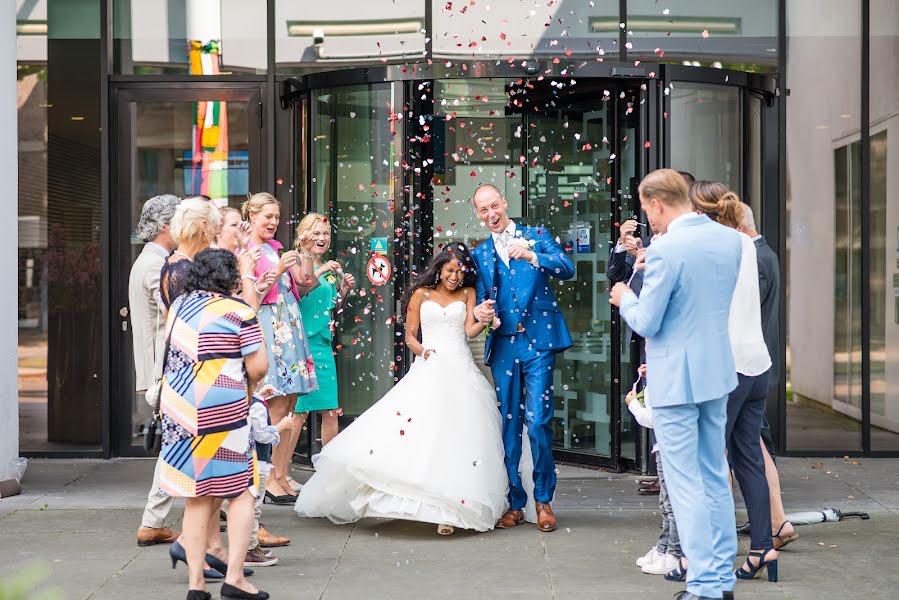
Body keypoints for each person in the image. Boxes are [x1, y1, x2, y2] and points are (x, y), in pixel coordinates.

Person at [294, 243, 508, 535]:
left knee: (458, 436)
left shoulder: (468, 293)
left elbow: (468, 330)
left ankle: (451, 508)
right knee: (421, 431)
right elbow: (409, 336)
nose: (454, 277)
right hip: (430, 365)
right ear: (439, 268)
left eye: (459, 271)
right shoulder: (421, 294)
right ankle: (421, 499)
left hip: (460, 367)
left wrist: (484, 322)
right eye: (449, 270)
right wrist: (423, 352)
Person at [610, 168, 742, 600]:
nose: (650, 221)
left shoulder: (667, 249)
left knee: (685, 485)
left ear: (657, 203)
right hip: (717, 372)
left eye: (648, 211)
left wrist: (624, 298)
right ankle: (721, 578)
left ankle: (703, 586)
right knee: (714, 477)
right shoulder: (729, 239)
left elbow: (648, 319)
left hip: (675, 378)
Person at [159, 248, 269, 600]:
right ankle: (234, 578)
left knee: (197, 497)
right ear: (230, 278)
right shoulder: (239, 311)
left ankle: (195, 585)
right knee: (240, 492)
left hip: (179, 413)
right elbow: (258, 368)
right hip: (222, 413)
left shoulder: (179, 308)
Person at [470, 183, 576, 533]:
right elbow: (486, 296)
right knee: (509, 425)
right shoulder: (481, 254)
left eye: (494, 206)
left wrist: (533, 256)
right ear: (478, 214)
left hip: (538, 342)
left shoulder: (536, 234)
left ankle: (543, 500)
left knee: (539, 419)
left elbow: (567, 267)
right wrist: (485, 313)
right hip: (504, 345)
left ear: (504, 202)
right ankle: (515, 503)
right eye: (483, 210)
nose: (491, 215)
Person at [691, 183, 779, 584]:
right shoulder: (746, 244)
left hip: (726, 368)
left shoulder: (710, 248)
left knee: (707, 463)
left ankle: (703, 558)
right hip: (756, 363)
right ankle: (763, 546)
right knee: (748, 460)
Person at [243, 192, 319, 504]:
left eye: (276, 217)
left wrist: (304, 252)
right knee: (274, 403)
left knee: (289, 402)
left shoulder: (274, 248)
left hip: (288, 327)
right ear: (252, 217)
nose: (273, 222)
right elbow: (252, 293)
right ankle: (269, 477)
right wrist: (279, 269)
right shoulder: (247, 250)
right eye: (268, 217)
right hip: (270, 328)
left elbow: (305, 283)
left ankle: (281, 473)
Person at [740, 205, 797, 550]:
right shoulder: (765, 254)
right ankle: (768, 518)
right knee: (755, 442)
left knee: (755, 445)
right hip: (757, 362)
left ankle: (774, 519)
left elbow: (748, 309)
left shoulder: (757, 260)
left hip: (750, 364)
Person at [131, 193, 182, 548]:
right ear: (166, 226)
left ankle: (223, 509)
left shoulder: (154, 259)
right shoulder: (155, 264)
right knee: (175, 444)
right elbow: (173, 311)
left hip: (160, 366)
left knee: (177, 443)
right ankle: (152, 521)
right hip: (162, 367)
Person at [288, 213, 356, 470]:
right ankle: (280, 469)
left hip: (323, 344)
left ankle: (329, 470)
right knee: (299, 411)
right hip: (303, 342)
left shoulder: (327, 265)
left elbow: (330, 305)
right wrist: (321, 270)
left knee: (330, 409)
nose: (321, 238)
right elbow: (301, 290)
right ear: (303, 235)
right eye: (316, 233)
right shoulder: (294, 260)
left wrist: (344, 291)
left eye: (325, 234)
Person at [626, 362, 682, 576]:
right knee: (666, 503)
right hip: (664, 448)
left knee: (672, 505)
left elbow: (654, 419)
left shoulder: (668, 380)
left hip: (670, 447)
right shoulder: (664, 375)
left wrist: (633, 404)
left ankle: (674, 554)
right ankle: (663, 549)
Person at [245, 384, 293, 567]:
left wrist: (259, 395)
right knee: (252, 508)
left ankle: (251, 546)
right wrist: (280, 427)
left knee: (250, 506)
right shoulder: (256, 404)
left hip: (249, 462)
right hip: (257, 464)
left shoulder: (250, 399)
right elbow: (262, 435)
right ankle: (249, 549)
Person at [160, 196, 219, 310]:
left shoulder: (174, 262)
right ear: (204, 225)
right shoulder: (184, 270)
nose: (214, 234)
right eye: (214, 225)